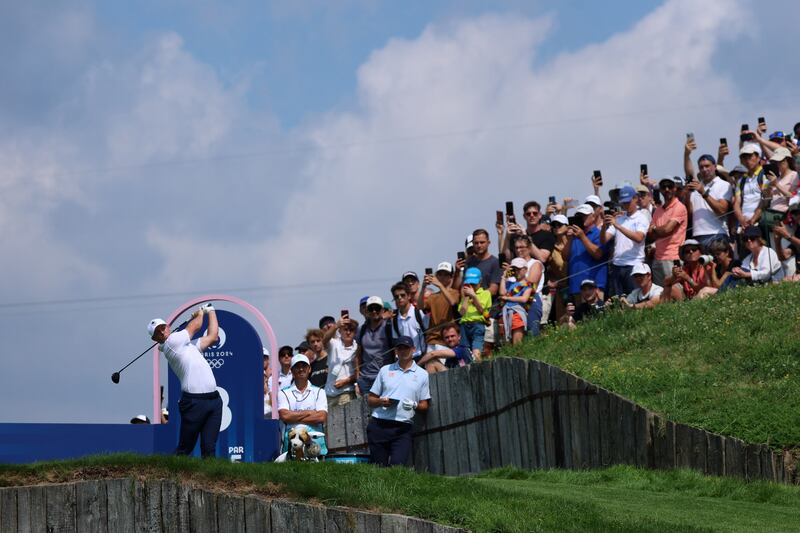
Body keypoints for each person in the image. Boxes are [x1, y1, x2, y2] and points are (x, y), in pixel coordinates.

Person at [148, 303, 221, 457]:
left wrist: (211, 310)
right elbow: (195, 326)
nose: (162, 331)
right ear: (155, 338)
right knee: (185, 448)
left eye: (163, 327)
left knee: (209, 448)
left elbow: (213, 336)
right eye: (157, 331)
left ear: (168, 326)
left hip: (214, 400)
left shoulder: (188, 346)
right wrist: (200, 312)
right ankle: (168, 474)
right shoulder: (171, 343)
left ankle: (208, 479)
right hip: (194, 402)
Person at [366, 336, 431, 467]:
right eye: (399, 348)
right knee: (378, 468)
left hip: (403, 427)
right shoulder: (385, 370)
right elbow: (370, 399)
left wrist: (414, 405)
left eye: (406, 348)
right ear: (395, 351)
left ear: (413, 349)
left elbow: (425, 405)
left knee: (397, 466)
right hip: (379, 424)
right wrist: (381, 401)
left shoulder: (422, 374)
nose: (403, 351)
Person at [684, 140, 733, 247]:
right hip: (697, 236)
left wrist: (703, 192)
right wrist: (687, 154)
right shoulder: (697, 186)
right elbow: (689, 174)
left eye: (707, 166)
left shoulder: (723, 185)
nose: (704, 169)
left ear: (715, 167)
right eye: (701, 167)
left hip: (716, 235)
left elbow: (722, 211)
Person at [601, 186, 648, 297]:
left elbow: (639, 238)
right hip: (617, 266)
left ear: (635, 198)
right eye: (623, 202)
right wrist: (603, 226)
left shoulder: (641, 218)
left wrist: (617, 225)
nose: (625, 205)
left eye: (628, 202)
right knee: (618, 303)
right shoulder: (618, 219)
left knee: (634, 300)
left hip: (633, 265)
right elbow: (603, 240)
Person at [277, 354, 328, 452]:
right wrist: (309, 413)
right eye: (297, 367)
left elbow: (321, 417)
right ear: (292, 371)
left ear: (309, 369)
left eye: (304, 366)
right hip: (291, 443)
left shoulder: (319, 392)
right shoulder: (283, 393)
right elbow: (285, 416)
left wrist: (294, 416)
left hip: (316, 442)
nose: (301, 369)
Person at [465, 229, 501, 357]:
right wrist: (459, 271)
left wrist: (476, 297)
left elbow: (493, 289)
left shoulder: (494, 262)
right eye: (476, 243)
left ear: (488, 243)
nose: (479, 245)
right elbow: (462, 286)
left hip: (488, 312)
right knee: (471, 352)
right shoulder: (469, 262)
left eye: (482, 242)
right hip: (469, 314)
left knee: (487, 348)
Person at [648, 176, 688, 287]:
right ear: (660, 190)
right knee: (661, 295)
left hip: (673, 257)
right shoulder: (658, 210)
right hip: (658, 257)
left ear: (675, 188)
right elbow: (650, 234)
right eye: (663, 187)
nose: (666, 189)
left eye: (669, 186)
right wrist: (657, 231)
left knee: (675, 292)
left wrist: (656, 229)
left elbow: (667, 230)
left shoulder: (679, 207)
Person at [563, 204, 607, 299]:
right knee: (580, 313)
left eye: (585, 215)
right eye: (579, 216)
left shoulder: (598, 234)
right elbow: (565, 257)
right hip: (576, 286)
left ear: (593, 216)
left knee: (595, 313)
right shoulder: (574, 236)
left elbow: (598, 254)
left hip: (594, 286)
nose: (582, 218)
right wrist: (569, 239)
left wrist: (582, 237)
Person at [419, 262, 460, 356]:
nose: (442, 277)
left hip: (447, 340)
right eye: (440, 274)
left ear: (451, 277)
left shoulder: (455, 292)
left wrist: (440, 285)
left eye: (446, 274)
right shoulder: (432, 296)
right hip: (432, 340)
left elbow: (452, 302)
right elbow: (420, 306)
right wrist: (423, 287)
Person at [356, 296, 393, 396]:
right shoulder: (362, 329)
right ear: (366, 311)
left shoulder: (389, 326)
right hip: (366, 379)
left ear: (382, 310)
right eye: (371, 309)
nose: (374, 311)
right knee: (368, 411)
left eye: (377, 308)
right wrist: (357, 379)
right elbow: (358, 354)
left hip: (386, 377)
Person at [511, 235, 544, 336]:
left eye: (522, 247)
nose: (518, 250)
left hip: (531, 300)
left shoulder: (535, 264)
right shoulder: (512, 266)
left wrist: (510, 291)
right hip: (513, 302)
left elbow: (530, 283)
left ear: (529, 248)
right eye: (516, 247)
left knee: (532, 333)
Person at [322, 317, 359, 408]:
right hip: (329, 393)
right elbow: (324, 340)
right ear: (340, 331)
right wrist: (335, 326)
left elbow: (358, 372)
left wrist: (346, 381)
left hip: (347, 392)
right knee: (330, 421)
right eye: (345, 329)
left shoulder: (357, 347)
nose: (348, 332)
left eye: (351, 330)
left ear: (355, 332)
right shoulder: (334, 343)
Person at [459, 267, 490, 362]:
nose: (471, 286)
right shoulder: (465, 295)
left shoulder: (485, 293)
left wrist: (473, 296)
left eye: (474, 283)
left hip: (477, 325)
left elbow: (481, 309)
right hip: (464, 326)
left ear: (480, 281)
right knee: (465, 351)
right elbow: (462, 312)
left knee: (476, 351)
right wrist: (465, 298)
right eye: (469, 283)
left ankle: (479, 368)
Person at [499, 257, 533, 344]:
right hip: (506, 313)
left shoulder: (527, 284)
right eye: (514, 269)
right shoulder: (509, 283)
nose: (516, 271)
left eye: (519, 269)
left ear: (525, 269)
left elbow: (524, 299)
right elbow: (502, 293)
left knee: (517, 342)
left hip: (517, 313)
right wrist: (504, 277)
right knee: (507, 342)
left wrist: (508, 298)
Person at [733, 144, 766, 233]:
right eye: (744, 158)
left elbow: (765, 200)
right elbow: (737, 203)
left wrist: (753, 219)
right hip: (745, 224)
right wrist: (741, 219)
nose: (747, 160)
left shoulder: (765, 176)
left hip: (760, 222)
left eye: (750, 156)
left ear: (758, 157)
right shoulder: (741, 181)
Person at [389, 281, 426, 359]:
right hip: (404, 360)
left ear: (409, 296)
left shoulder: (418, 313)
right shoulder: (394, 319)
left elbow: (428, 334)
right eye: (396, 296)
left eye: (402, 295)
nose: (399, 298)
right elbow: (396, 340)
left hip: (421, 356)